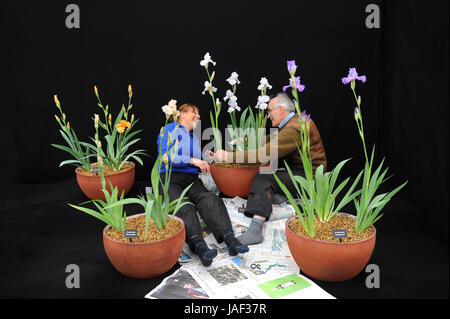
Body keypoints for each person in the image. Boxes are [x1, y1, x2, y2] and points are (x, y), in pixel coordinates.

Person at [212, 93, 327, 245]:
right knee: (271, 177)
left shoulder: (295, 129)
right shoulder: (292, 123)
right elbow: (271, 139)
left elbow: (263, 155)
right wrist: (245, 140)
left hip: (309, 180)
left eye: (269, 110)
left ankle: (255, 230)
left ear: (280, 109)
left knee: (263, 177)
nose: (268, 115)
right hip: (298, 174)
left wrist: (228, 157)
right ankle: (282, 198)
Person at [157, 103, 248, 266]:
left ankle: (230, 239)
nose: (198, 116)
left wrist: (207, 158)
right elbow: (166, 156)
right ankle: (200, 247)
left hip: (191, 180)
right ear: (181, 114)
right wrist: (193, 160)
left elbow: (197, 162)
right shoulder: (169, 129)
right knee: (185, 207)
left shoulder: (193, 137)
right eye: (194, 112)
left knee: (210, 200)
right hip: (169, 178)